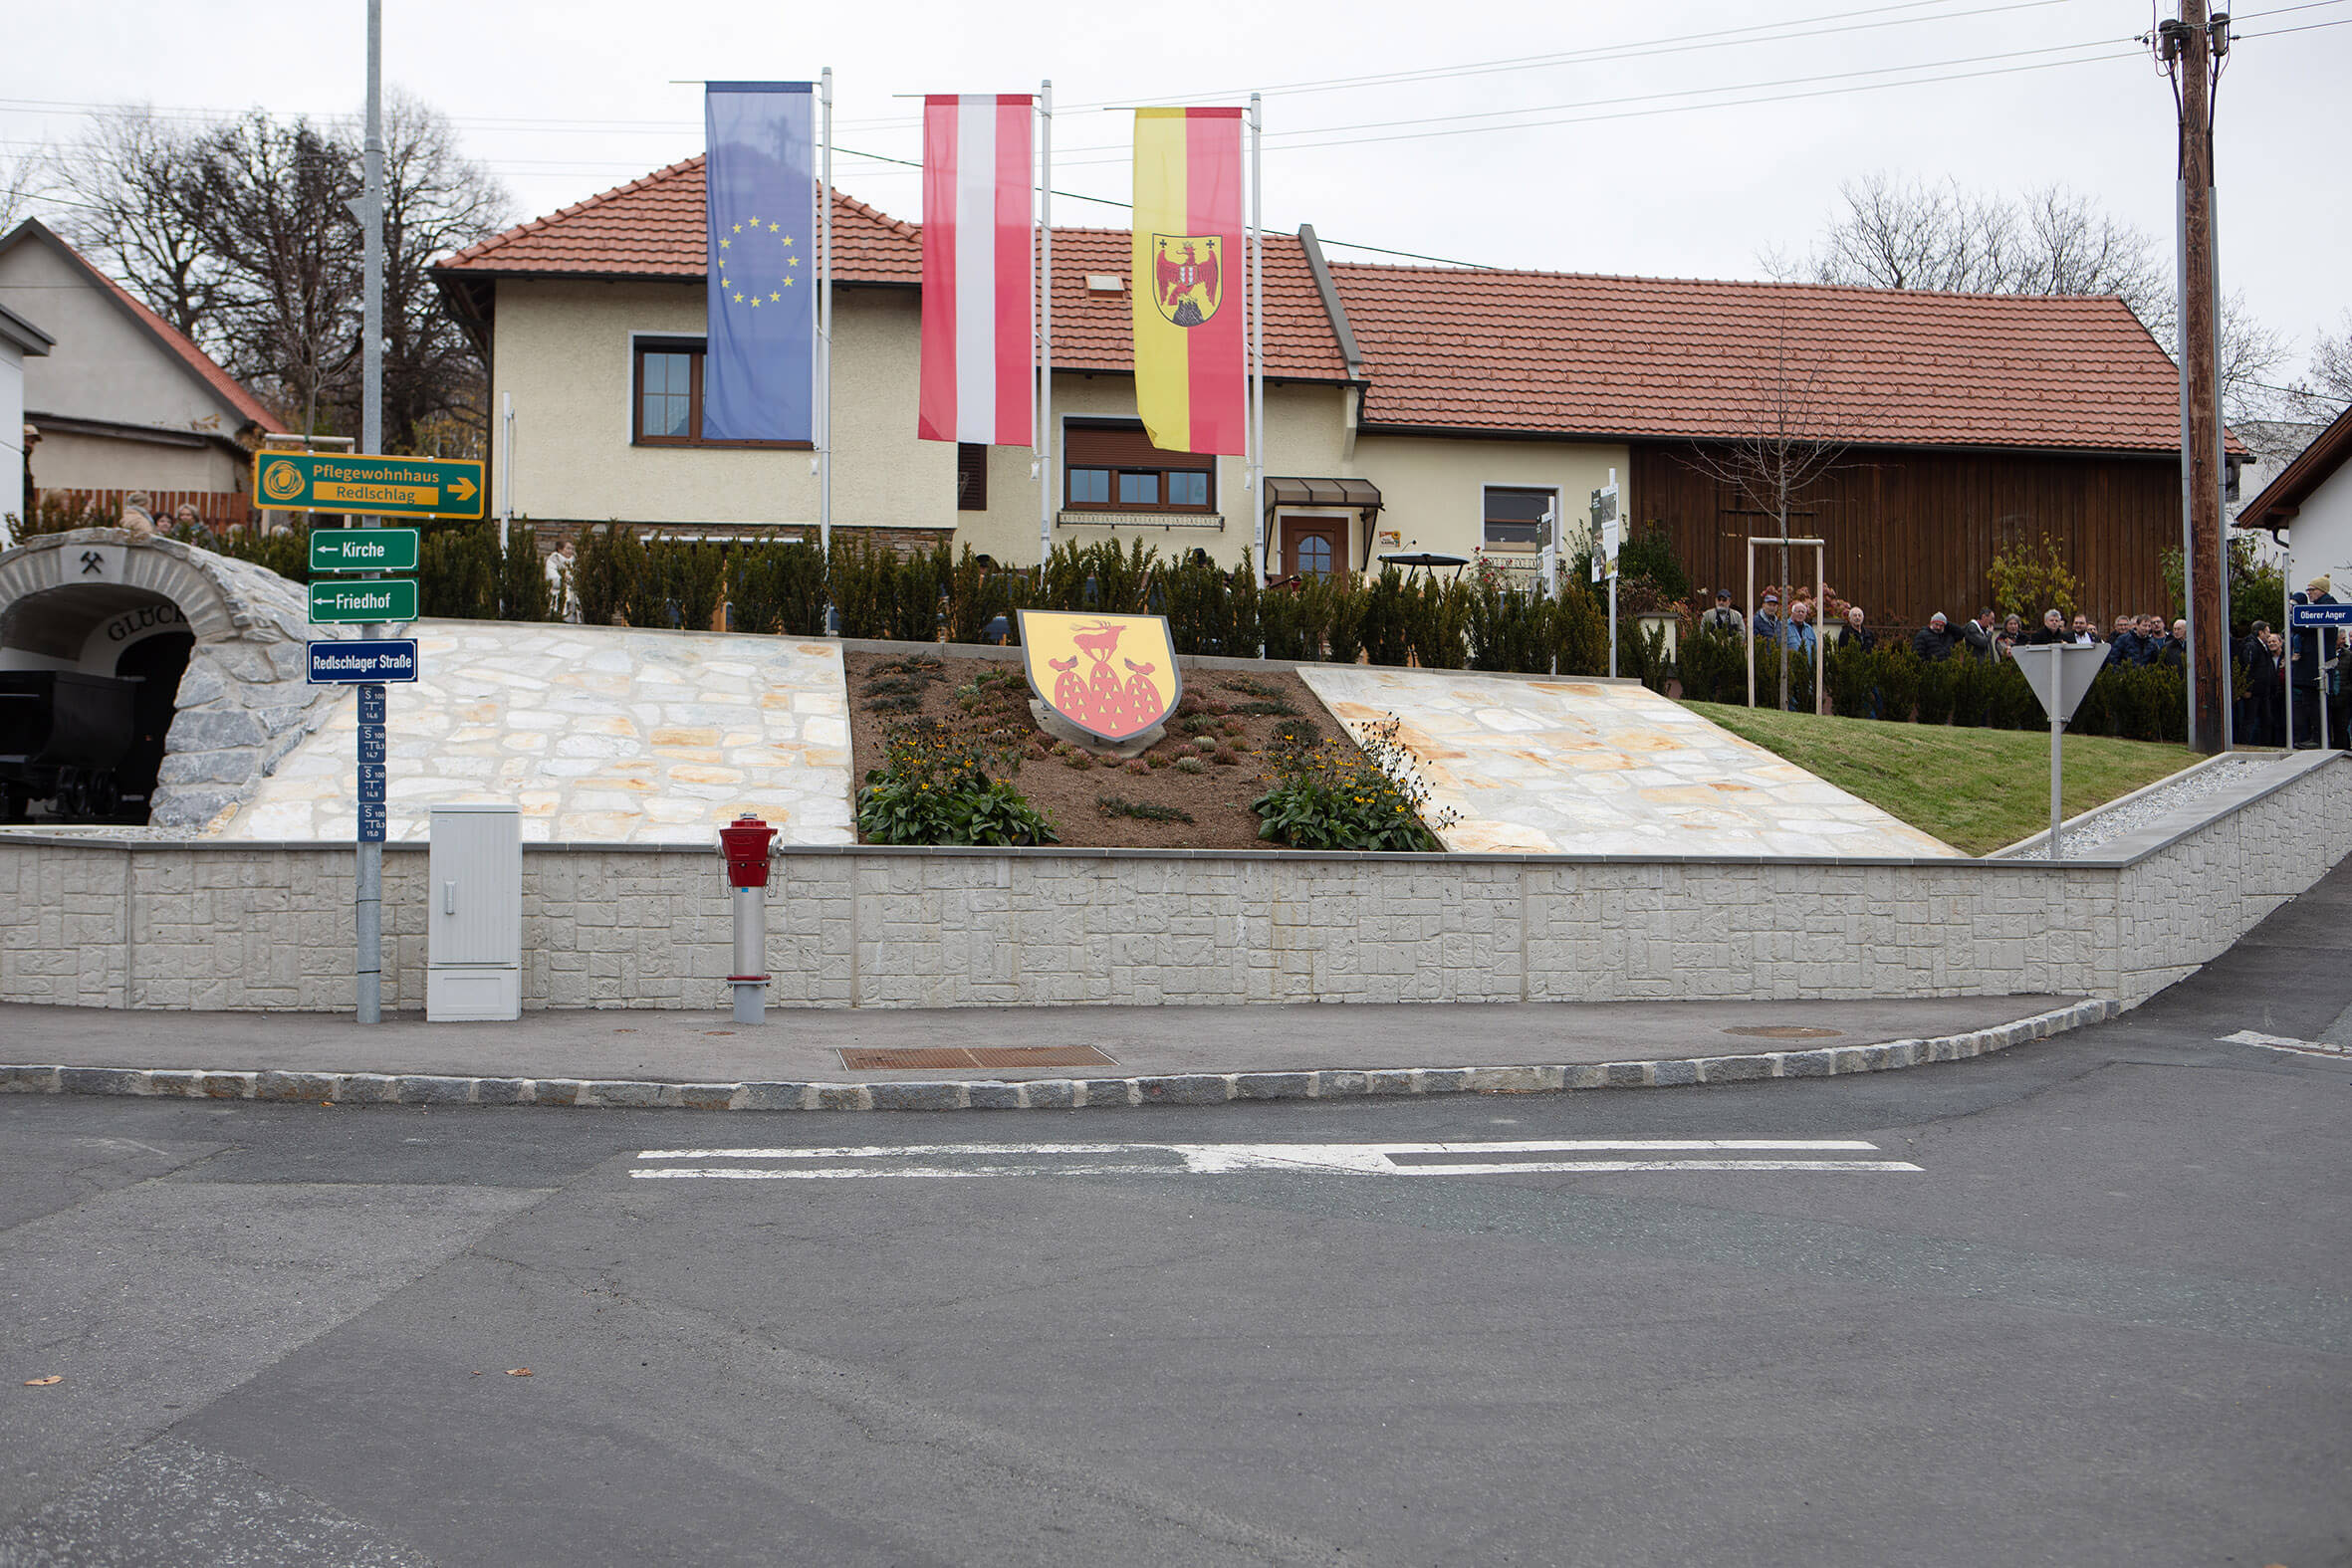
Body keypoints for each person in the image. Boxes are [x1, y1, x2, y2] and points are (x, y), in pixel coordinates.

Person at [546, 535, 579, 623]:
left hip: (573, 597)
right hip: (557, 595)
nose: (570, 551)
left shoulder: (575, 562)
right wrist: (565, 579)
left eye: (572, 549)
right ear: (560, 549)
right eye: (568, 548)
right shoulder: (552, 561)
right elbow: (553, 579)